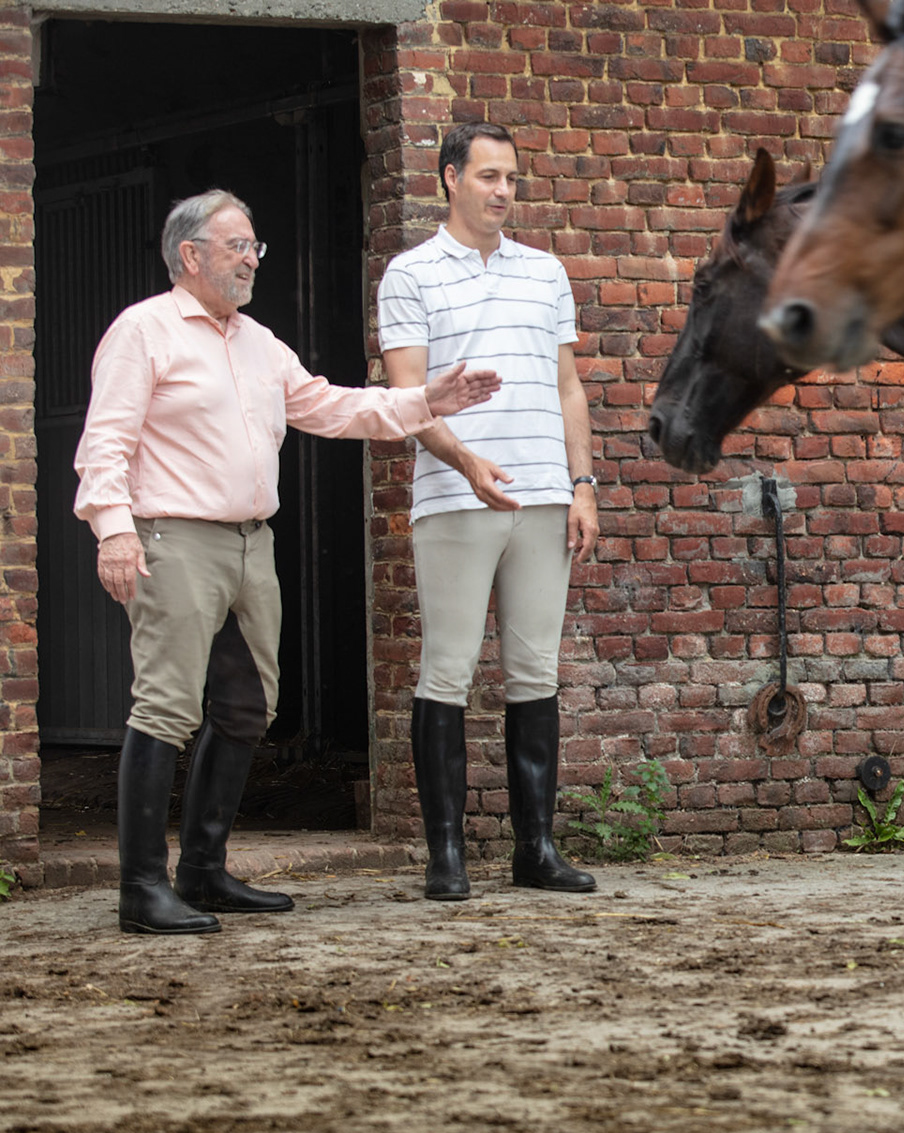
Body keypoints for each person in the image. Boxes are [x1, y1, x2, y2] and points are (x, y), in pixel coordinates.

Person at [75, 189, 501, 935]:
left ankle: (203, 870)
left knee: (248, 707)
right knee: (167, 706)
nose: (250, 259)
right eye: (237, 245)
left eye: (254, 247)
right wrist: (115, 530)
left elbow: (332, 407)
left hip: (252, 543)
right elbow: (105, 440)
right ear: (191, 255)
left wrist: (425, 401)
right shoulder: (143, 331)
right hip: (172, 537)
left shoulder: (259, 342)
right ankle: (142, 888)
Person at [377, 122, 600, 901]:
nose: (502, 191)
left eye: (511, 178)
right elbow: (408, 395)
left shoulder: (546, 273)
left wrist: (582, 483)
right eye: (488, 176)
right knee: (448, 668)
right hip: (454, 498)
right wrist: (467, 462)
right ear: (449, 178)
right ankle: (446, 855)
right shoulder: (409, 275)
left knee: (535, 670)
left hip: (543, 495)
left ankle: (535, 849)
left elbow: (568, 385)